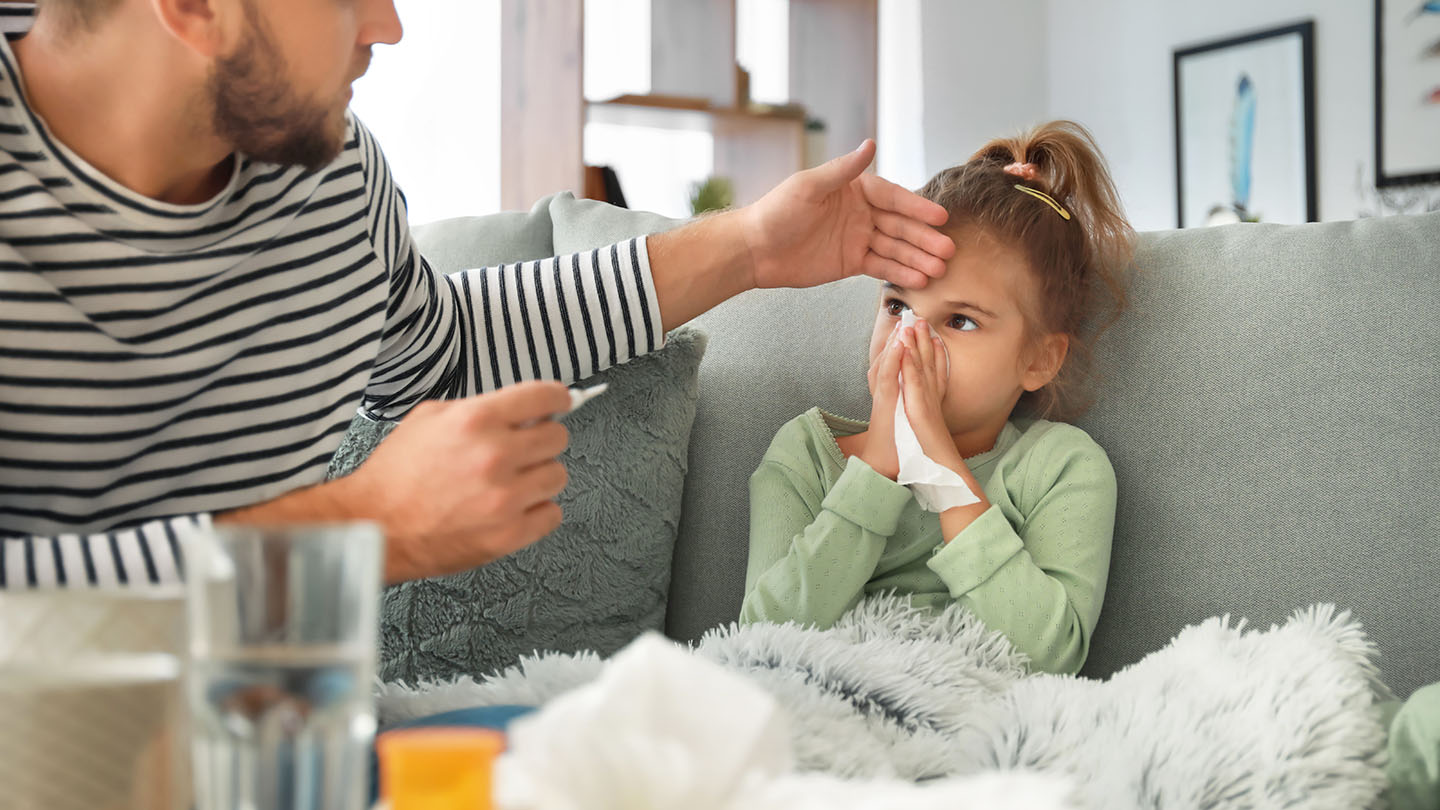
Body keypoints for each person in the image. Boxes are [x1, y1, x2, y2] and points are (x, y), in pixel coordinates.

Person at [0, 0, 956, 588]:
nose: (389, 25)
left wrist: (748, 246)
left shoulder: (329, 181)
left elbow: (444, 350)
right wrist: (358, 533)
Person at [739, 120, 1134, 676]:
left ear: (1039, 360)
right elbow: (756, 640)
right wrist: (877, 466)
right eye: (897, 306)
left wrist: (945, 475)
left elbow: (1051, 658)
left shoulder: (1060, 468)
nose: (910, 339)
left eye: (960, 320)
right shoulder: (808, 453)